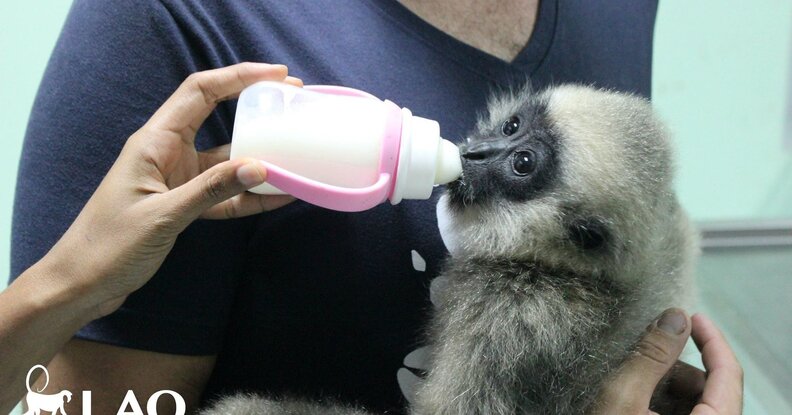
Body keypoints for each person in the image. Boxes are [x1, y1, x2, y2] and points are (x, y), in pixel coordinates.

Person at [8, 0, 742, 413]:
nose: (480, 150)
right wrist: (66, 286)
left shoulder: (621, 13)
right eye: (513, 131)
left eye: (521, 161)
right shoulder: (171, 18)